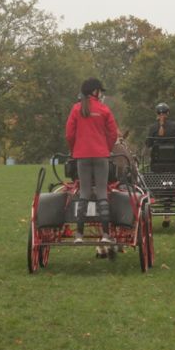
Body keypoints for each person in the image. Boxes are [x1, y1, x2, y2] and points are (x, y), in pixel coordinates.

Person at [65, 78, 119, 244]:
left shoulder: (76, 109)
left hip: (82, 156)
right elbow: (113, 133)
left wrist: (74, 150)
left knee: (84, 192)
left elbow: (69, 134)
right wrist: (106, 148)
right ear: (95, 91)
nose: (101, 93)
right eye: (100, 91)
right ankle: (105, 235)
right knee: (102, 192)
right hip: (101, 155)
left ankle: (79, 235)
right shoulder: (104, 109)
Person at [146, 102, 175, 227]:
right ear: (168, 113)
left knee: (164, 189)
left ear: (157, 114)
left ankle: (166, 216)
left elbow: (148, 144)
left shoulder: (153, 128)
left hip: (158, 167)